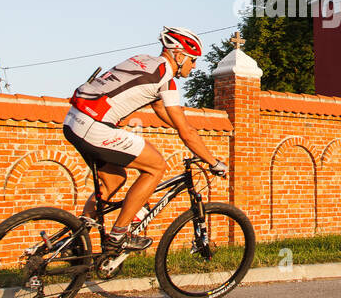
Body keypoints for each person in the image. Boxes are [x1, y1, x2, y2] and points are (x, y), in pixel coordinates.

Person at [62, 26, 227, 251]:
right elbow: (186, 133)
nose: (195, 65)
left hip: (73, 120)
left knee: (114, 180)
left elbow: (160, 108)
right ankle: (118, 235)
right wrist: (214, 162)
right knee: (156, 167)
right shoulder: (165, 78)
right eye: (193, 59)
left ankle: (76, 240)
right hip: (95, 126)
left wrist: (182, 128)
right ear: (179, 55)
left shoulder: (142, 60)